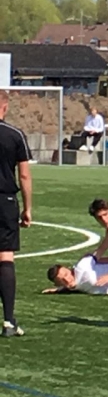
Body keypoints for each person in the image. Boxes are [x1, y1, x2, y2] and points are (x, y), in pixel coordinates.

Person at [0, 90, 32, 337]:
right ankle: (9, 321)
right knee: (5, 256)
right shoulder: (15, 135)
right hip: (5, 200)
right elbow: (24, 175)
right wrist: (28, 208)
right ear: (5, 107)